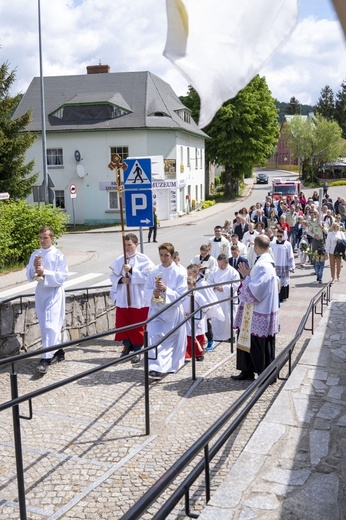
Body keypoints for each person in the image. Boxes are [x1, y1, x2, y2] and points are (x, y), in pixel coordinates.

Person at [232, 235, 279, 381]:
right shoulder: (263, 262)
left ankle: (267, 376)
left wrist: (246, 276)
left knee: (259, 345)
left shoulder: (264, 266)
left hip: (258, 311)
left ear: (256, 247)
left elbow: (255, 292)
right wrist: (248, 276)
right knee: (247, 341)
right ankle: (247, 371)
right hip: (252, 311)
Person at [26, 226, 68, 374]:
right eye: (41, 237)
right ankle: (58, 351)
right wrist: (34, 269)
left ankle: (45, 358)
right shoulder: (35, 254)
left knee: (51, 325)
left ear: (52, 238)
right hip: (41, 292)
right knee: (44, 325)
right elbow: (29, 274)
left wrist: (46, 272)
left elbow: (62, 276)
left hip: (54, 291)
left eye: (45, 237)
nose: (42, 240)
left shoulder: (58, 255)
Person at [144, 242, 187, 380]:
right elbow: (146, 290)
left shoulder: (180, 271)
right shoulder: (154, 271)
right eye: (161, 255)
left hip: (172, 312)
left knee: (169, 341)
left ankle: (166, 367)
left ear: (173, 256)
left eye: (166, 255)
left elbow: (182, 294)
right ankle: (155, 368)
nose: (163, 258)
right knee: (153, 336)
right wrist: (153, 292)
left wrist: (166, 289)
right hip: (157, 311)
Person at [110, 233, 155, 363]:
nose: (127, 247)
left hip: (138, 299)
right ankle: (126, 346)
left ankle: (137, 350)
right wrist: (121, 279)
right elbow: (112, 277)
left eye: (129, 245)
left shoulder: (144, 259)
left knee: (137, 326)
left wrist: (131, 271)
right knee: (123, 324)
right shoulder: (120, 259)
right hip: (123, 298)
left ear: (136, 245)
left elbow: (148, 278)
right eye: (125, 245)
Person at [207, 253, 239, 341]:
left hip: (228, 299)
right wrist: (215, 286)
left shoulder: (233, 271)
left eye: (222, 264)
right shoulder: (215, 271)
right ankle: (217, 336)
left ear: (227, 262)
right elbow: (209, 281)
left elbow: (236, 284)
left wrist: (224, 288)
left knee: (228, 318)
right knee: (217, 318)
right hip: (217, 298)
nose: (220, 266)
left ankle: (230, 336)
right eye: (219, 264)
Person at [271, 229, 295, 302]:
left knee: (284, 281)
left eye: (280, 236)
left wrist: (291, 267)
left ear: (283, 236)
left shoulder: (287, 244)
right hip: (275, 265)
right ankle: (275, 296)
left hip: (284, 265)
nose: (279, 238)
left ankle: (283, 296)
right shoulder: (272, 244)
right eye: (277, 236)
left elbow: (290, 255)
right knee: (276, 281)